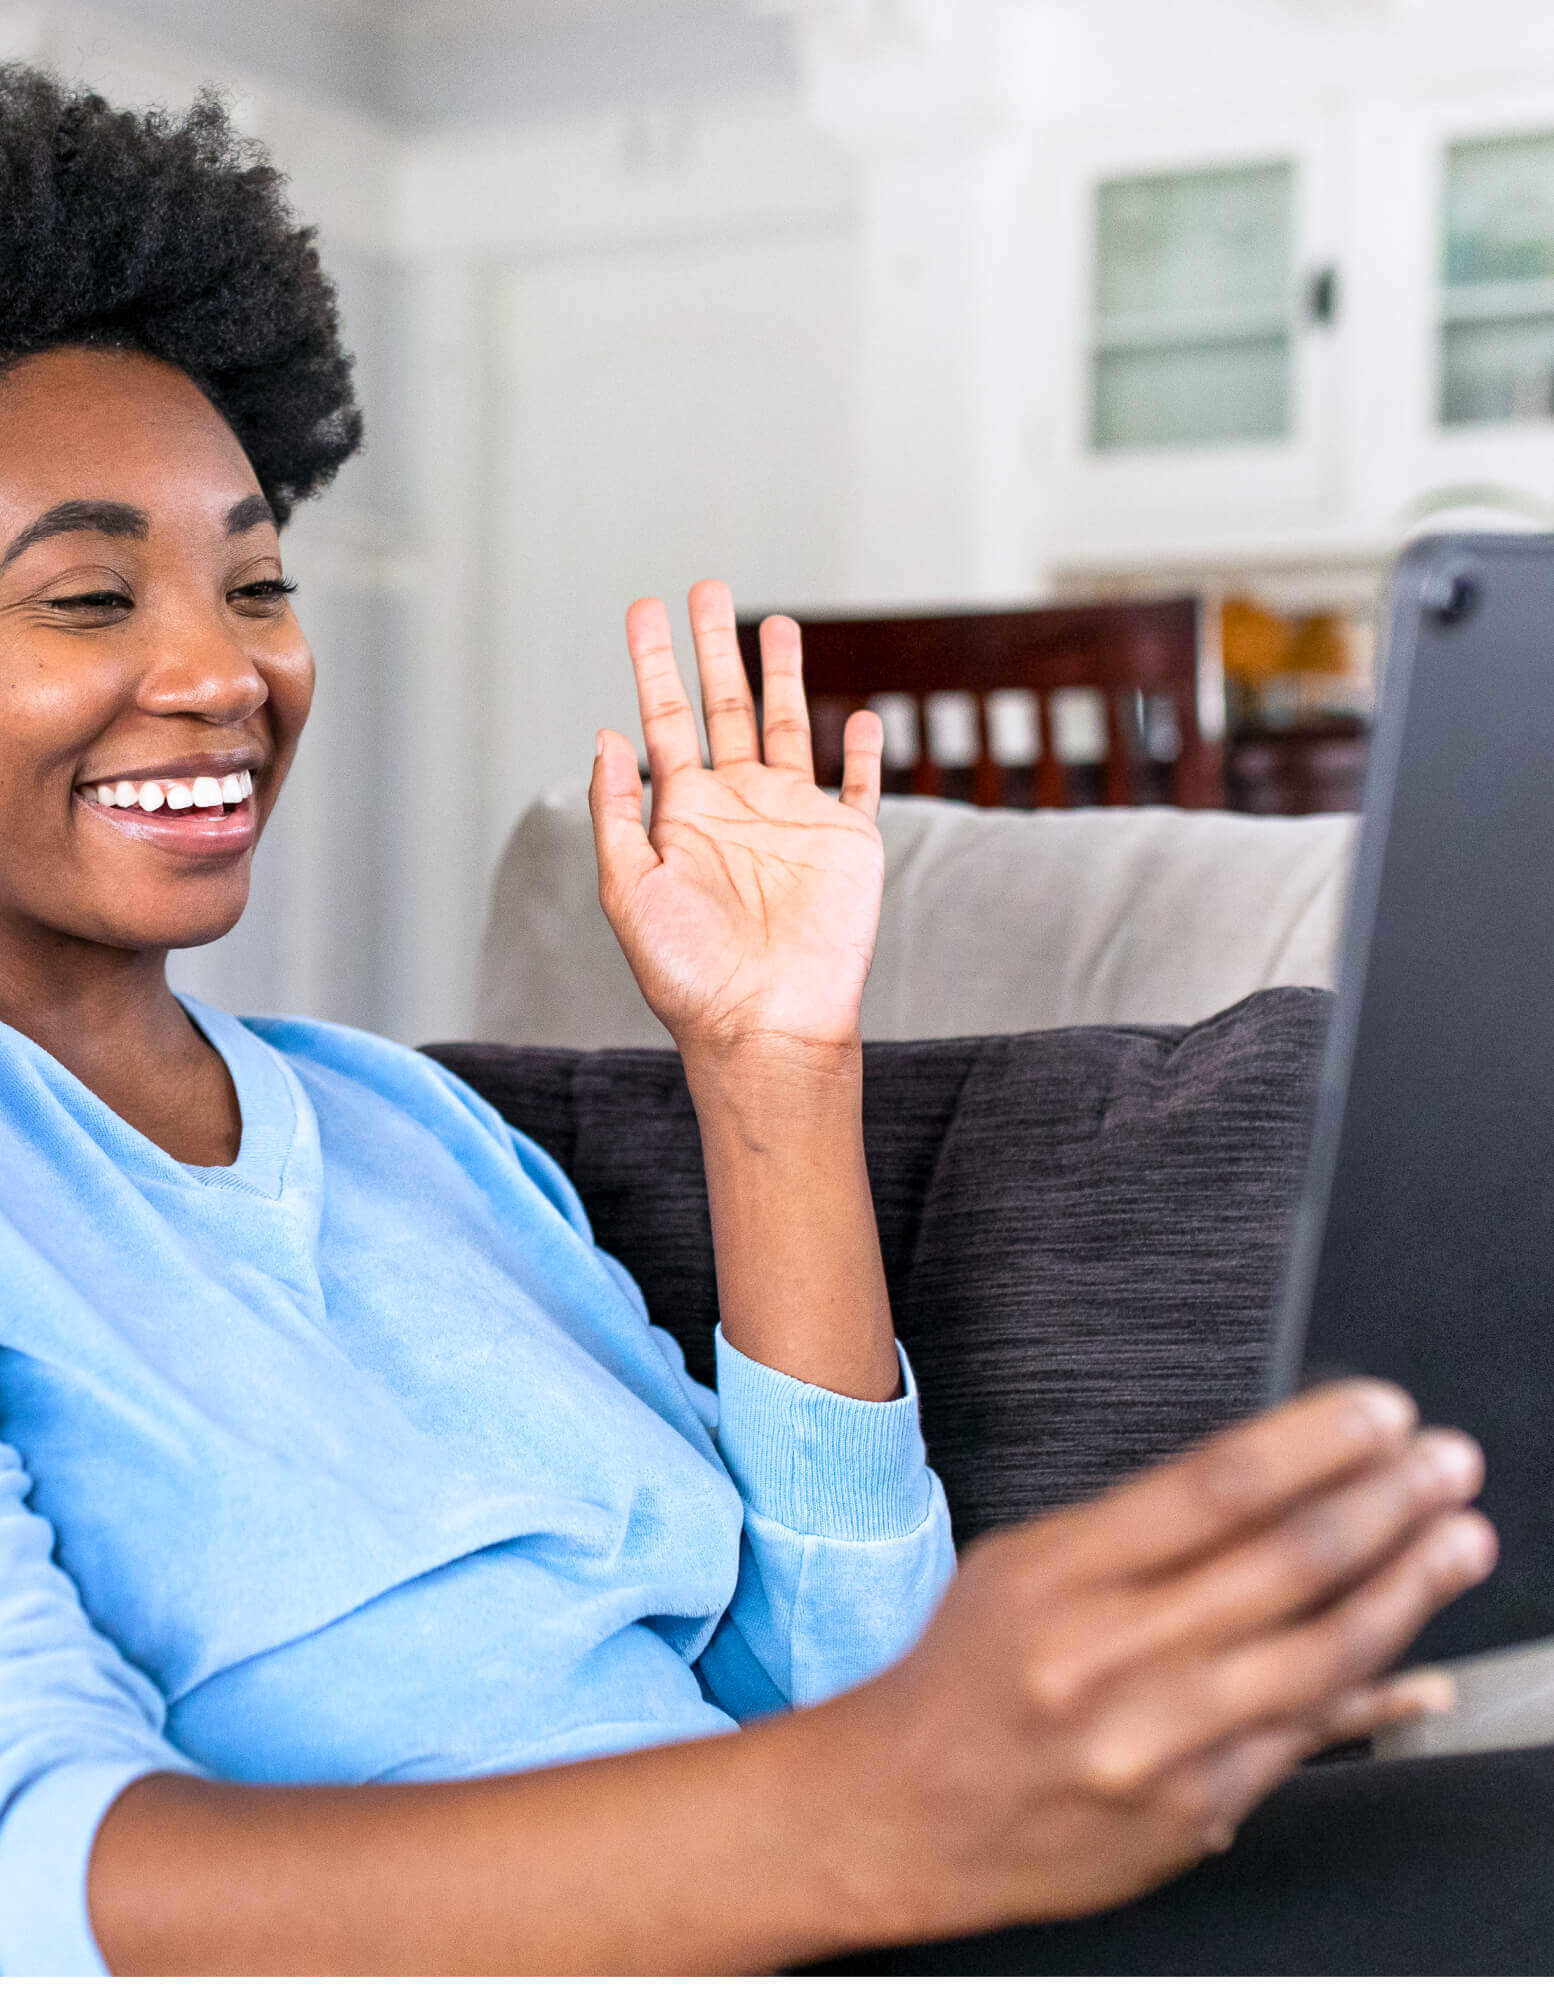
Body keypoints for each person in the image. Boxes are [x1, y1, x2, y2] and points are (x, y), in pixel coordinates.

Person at [0, 69, 1496, 1977]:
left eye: (260, 578)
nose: (225, 670)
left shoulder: (404, 1129)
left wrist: (773, 1061)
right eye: (88, 594)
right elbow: (37, 1890)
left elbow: (832, 1677)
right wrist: (866, 1825)